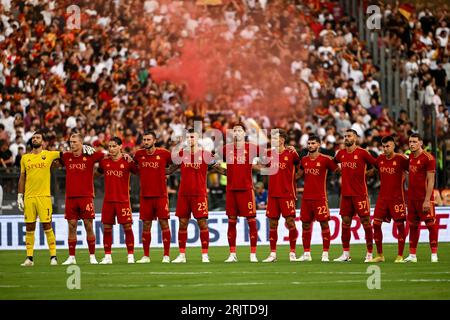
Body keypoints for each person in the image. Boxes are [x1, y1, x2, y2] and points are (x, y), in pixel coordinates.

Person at [168, 129, 219, 263]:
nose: (190, 139)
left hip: (199, 194)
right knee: (182, 223)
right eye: (188, 137)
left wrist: (234, 174)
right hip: (184, 194)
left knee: (202, 223)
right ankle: (182, 255)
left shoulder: (206, 155)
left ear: (198, 139)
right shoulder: (181, 154)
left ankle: (205, 255)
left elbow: (218, 168)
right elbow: (171, 169)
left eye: (193, 137)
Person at [18, 130, 61, 266]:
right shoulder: (25, 158)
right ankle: (29, 258)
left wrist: (82, 149)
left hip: (44, 197)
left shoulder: (48, 155)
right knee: (29, 227)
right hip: (29, 197)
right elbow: (22, 178)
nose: (35, 139)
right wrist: (20, 195)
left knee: (47, 226)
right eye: (34, 137)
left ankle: (53, 256)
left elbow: (65, 156)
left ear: (43, 141)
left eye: (38, 137)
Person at [333, 129, 377, 262]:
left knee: (366, 222)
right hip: (345, 194)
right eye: (345, 136)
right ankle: (346, 254)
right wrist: (339, 171)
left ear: (356, 138)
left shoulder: (363, 153)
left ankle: (369, 253)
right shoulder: (340, 153)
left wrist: (367, 174)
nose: (346, 138)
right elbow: (333, 163)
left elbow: (376, 165)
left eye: (349, 136)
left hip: (360, 194)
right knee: (345, 223)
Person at [219, 123, 261, 263]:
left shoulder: (252, 148)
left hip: (246, 189)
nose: (236, 132)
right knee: (231, 223)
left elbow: (270, 157)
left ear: (244, 133)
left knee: (251, 223)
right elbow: (212, 161)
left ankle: (253, 254)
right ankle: (232, 254)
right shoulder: (226, 149)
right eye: (234, 130)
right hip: (231, 190)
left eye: (239, 130)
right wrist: (225, 172)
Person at [60, 133, 103, 265]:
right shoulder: (66, 156)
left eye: (74, 142)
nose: (72, 144)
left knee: (88, 225)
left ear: (81, 143)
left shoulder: (89, 156)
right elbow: (56, 158)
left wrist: (91, 149)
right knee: (71, 226)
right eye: (70, 142)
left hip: (86, 196)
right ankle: (71, 257)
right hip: (71, 197)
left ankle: (92, 256)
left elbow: (102, 155)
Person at [260, 129, 301, 263]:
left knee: (290, 222)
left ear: (282, 140)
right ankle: (273, 254)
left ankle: (293, 253)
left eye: (276, 138)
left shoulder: (292, 153)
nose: (273, 140)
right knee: (273, 223)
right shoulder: (269, 154)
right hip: (273, 194)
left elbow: (301, 167)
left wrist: (293, 180)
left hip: (287, 193)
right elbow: (263, 168)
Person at [96, 137, 139, 264]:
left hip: (123, 200)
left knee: (127, 227)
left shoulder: (128, 161)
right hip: (108, 200)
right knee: (107, 228)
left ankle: (130, 255)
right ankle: (108, 256)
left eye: (114, 146)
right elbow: (97, 174)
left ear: (120, 146)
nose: (111, 148)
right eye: (109, 146)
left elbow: (139, 171)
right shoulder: (104, 162)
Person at [297, 134, 339, 262]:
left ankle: (325, 254)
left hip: (320, 197)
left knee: (324, 224)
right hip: (306, 198)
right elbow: (299, 174)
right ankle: (306, 254)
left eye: (313, 143)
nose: (310, 145)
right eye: (309, 143)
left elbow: (337, 170)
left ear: (319, 145)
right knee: (305, 225)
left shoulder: (326, 160)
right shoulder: (304, 160)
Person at [134, 131, 172, 264]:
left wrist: (167, 172)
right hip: (145, 196)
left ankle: (166, 255)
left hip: (161, 195)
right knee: (146, 225)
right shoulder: (138, 154)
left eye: (148, 139)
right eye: (144, 139)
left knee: (164, 223)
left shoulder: (164, 153)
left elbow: (176, 163)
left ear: (154, 141)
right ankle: (146, 256)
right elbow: (133, 166)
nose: (145, 142)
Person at [370, 135, 409, 263]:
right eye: (384, 146)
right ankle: (380, 255)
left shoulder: (401, 159)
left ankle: (400, 255)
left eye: (388, 146)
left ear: (394, 146)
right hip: (382, 197)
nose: (385, 149)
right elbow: (375, 169)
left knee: (399, 225)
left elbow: (413, 171)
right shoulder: (380, 158)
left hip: (397, 198)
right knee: (375, 224)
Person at [403, 134, 438, 263]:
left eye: (414, 142)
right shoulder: (411, 157)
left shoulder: (429, 159)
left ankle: (434, 254)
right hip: (412, 199)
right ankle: (412, 255)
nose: (411, 144)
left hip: (424, 198)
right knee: (412, 226)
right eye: (410, 142)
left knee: (430, 225)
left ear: (421, 143)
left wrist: (427, 200)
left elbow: (431, 181)